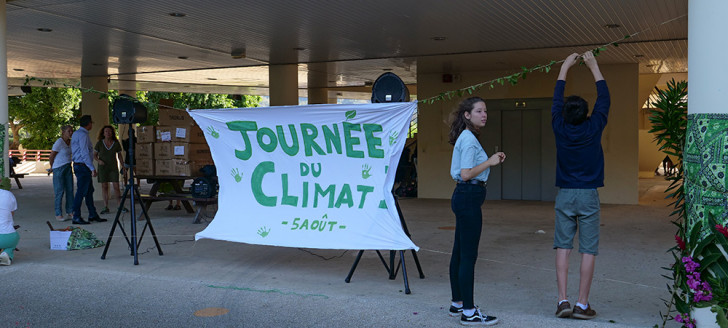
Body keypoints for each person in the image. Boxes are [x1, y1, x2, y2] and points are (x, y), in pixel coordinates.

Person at [551, 51, 609, 320]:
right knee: (588, 249)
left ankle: (562, 301)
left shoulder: (559, 126)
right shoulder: (594, 126)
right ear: (587, 113)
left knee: (563, 246)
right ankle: (582, 304)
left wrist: (565, 68)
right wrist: (593, 65)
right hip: (588, 195)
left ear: (563, 113)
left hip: (564, 195)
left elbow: (555, 99)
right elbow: (605, 99)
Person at [447, 96, 506, 326]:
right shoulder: (469, 140)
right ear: (467, 115)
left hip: (464, 196)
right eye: (479, 111)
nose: (484, 114)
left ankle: (458, 303)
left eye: (485, 111)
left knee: (459, 252)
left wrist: (491, 160)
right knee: (468, 256)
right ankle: (469, 312)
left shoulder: (467, 137)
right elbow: (466, 173)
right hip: (468, 196)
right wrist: (490, 162)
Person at [71, 115, 106, 225]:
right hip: (83, 166)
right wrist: (91, 167)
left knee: (89, 191)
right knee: (81, 192)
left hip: (80, 165)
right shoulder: (82, 135)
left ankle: (92, 214)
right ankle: (76, 216)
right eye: (91, 123)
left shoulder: (78, 133)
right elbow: (84, 152)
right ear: (88, 123)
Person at [94, 125, 126, 214]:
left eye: (110, 131)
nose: (108, 133)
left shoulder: (116, 143)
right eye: (106, 131)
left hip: (113, 167)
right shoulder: (100, 143)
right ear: (103, 133)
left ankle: (120, 205)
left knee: (116, 186)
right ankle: (105, 206)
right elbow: (94, 155)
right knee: (104, 186)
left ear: (112, 133)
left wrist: (123, 166)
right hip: (103, 167)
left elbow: (120, 155)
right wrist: (98, 160)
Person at [48, 125, 75, 222]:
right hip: (58, 168)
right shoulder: (59, 142)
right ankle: (58, 213)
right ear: (63, 132)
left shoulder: (71, 142)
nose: (71, 132)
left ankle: (70, 211)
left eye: (72, 131)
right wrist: (52, 167)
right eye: (69, 131)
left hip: (68, 167)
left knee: (70, 190)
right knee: (59, 191)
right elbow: (52, 156)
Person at [0, 178, 19, 266]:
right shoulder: (8, 194)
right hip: (7, 237)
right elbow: (11, 214)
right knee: (15, 237)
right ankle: (6, 253)